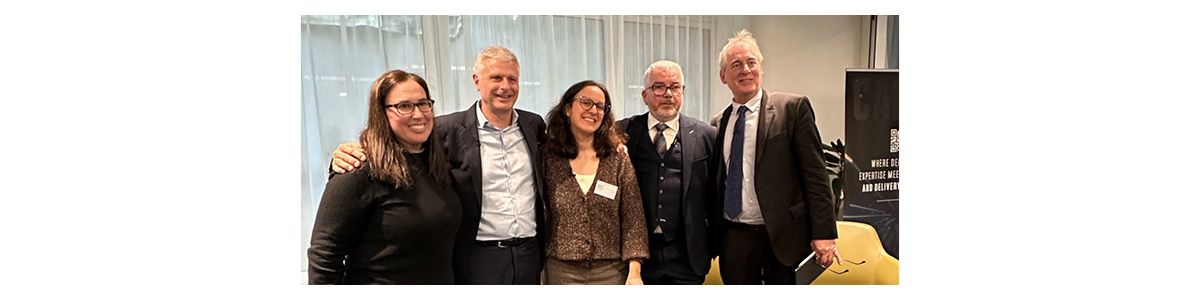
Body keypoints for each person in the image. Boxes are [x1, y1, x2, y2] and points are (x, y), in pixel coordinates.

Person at [330, 46, 547, 285]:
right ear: (477, 81)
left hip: (529, 253)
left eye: (512, 79)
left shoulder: (533, 124)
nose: (505, 86)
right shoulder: (445, 129)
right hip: (478, 258)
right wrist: (346, 156)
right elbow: (397, 149)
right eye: (496, 78)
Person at [709, 29, 842, 285]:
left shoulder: (792, 109)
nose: (745, 69)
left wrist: (824, 234)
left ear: (761, 68)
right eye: (736, 64)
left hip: (783, 238)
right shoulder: (717, 123)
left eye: (751, 62)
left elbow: (816, 177)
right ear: (723, 76)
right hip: (735, 238)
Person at [308, 70, 461, 284]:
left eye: (423, 103)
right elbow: (325, 254)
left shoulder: (436, 166)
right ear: (382, 113)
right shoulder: (358, 170)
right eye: (404, 106)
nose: (418, 114)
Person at [615, 61, 718, 285]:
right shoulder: (623, 131)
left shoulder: (706, 135)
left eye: (675, 87)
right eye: (659, 87)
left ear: (682, 92)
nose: (668, 94)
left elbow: (716, 193)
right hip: (637, 257)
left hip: (687, 256)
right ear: (645, 95)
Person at [541, 80, 649, 285]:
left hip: (610, 273)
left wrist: (635, 271)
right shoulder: (548, 156)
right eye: (586, 102)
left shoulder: (617, 159)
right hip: (560, 272)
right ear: (567, 109)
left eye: (600, 106)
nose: (593, 110)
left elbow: (633, 219)